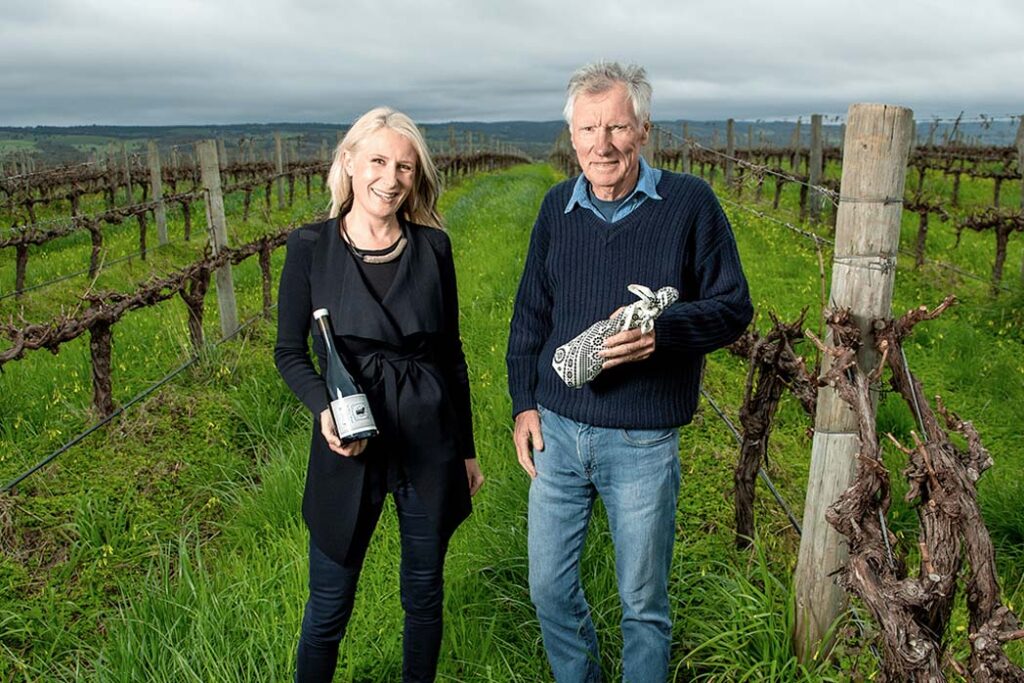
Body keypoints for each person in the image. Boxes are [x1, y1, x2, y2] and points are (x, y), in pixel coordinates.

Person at [506, 61, 753, 682]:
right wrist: (523, 404)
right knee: (548, 590)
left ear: (642, 130)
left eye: (616, 127)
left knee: (642, 605)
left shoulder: (689, 204)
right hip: (558, 435)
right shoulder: (556, 206)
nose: (601, 143)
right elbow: (530, 315)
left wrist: (659, 336)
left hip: (642, 443)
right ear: (573, 135)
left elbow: (733, 307)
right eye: (588, 129)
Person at [275, 106, 484, 683]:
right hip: (350, 436)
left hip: (427, 437)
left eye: (405, 168)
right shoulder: (310, 247)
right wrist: (323, 408)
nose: (390, 179)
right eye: (377, 161)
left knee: (423, 596)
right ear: (348, 162)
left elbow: (450, 356)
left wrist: (465, 450)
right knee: (328, 608)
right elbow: (288, 351)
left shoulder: (434, 249)